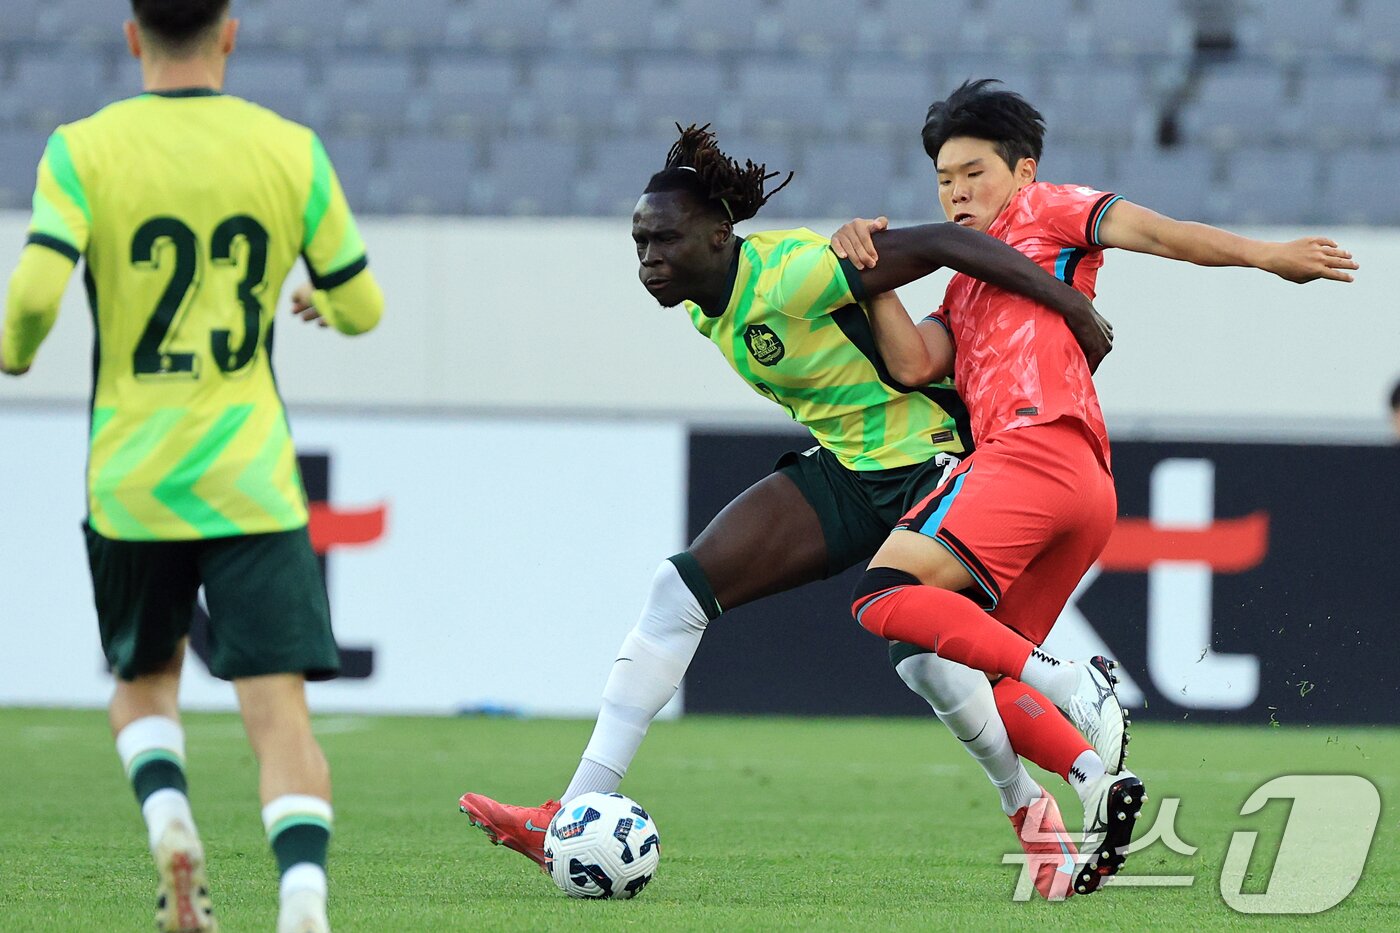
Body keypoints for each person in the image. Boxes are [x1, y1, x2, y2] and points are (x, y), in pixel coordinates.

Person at [460, 124, 1119, 901]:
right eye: (639, 244)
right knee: (678, 593)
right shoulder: (706, 305)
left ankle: (1033, 808)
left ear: (718, 234)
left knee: (927, 659)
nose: (649, 260)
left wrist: (1070, 307)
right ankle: (570, 810)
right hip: (851, 470)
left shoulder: (793, 274)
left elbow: (949, 242)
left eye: (664, 240)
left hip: (934, 459)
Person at [836, 79, 1358, 895]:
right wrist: (873, 273)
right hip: (1083, 486)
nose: (957, 192)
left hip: (1030, 452)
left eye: (973, 173)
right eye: (943, 179)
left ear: (1023, 170)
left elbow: (1161, 233)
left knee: (883, 593)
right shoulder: (963, 286)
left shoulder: (1047, 211)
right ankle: (1094, 782)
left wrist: (1266, 256)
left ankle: (1071, 678)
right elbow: (911, 363)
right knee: (958, 661)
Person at [0, 2, 384, 930]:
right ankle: (302, 902)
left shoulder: (82, 150)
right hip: (251, 478)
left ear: (133, 35)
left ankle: (171, 821)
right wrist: (326, 303)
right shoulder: (289, 150)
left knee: (142, 685)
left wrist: (13, 352)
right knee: (278, 715)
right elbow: (364, 305)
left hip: (132, 479)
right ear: (230, 32)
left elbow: (36, 295)